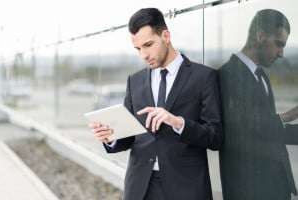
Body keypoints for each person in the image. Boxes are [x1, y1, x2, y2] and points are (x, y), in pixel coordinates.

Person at [90, 8, 222, 200]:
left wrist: (178, 123)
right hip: (140, 188)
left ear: (166, 36)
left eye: (148, 45)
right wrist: (111, 137)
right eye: (138, 49)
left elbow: (215, 137)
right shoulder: (134, 81)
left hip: (186, 187)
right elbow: (129, 137)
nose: (143, 55)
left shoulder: (204, 77)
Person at [219, 9, 298, 200]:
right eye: (279, 44)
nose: (281, 53)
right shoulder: (227, 74)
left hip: (273, 187)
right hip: (250, 191)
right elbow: (244, 129)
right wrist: (289, 115)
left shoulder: (260, 75)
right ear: (260, 36)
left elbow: (267, 132)